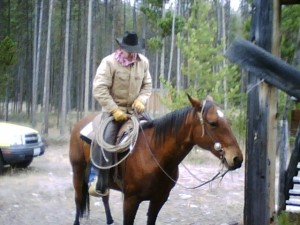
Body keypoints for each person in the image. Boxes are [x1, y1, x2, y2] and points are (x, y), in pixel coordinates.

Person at [88, 31, 152, 196]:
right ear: (121, 47)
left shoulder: (143, 62)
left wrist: (142, 100)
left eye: (135, 50)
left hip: (136, 112)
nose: (132, 53)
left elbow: (147, 85)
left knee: (155, 132)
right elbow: (99, 88)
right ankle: (101, 183)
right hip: (112, 113)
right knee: (106, 142)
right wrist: (114, 109)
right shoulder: (109, 63)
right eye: (129, 49)